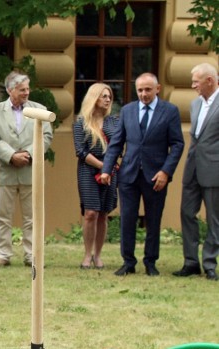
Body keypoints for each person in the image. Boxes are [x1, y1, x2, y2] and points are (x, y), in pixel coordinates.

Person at [99, 73, 184, 276]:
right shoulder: (128, 111)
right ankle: (128, 262)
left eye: (147, 89)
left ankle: (150, 262)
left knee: (153, 220)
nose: (144, 94)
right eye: (140, 90)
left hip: (156, 177)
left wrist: (166, 171)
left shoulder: (170, 111)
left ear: (158, 89)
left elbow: (177, 144)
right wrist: (106, 170)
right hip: (129, 174)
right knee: (127, 219)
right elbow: (117, 144)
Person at [0, 72, 53, 268]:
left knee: (32, 217)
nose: (26, 92)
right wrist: (12, 156)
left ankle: (32, 255)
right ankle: (3, 254)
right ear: (10, 90)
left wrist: (28, 154)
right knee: (3, 216)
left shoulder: (39, 110)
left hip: (31, 170)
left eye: (27, 88)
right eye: (22, 89)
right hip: (5, 171)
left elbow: (47, 136)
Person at [175, 63, 219, 281]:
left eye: (196, 81)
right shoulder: (194, 104)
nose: (193, 86)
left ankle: (210, 263)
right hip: (192, 167)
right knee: (186, 213)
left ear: (209, 81)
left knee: (214, 218)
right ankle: (191, 262)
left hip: (214, 169)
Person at [73, 83, 119, 269]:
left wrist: (109, 168)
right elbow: (80, 151)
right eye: (104, 96)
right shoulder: (81, 122)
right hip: (88, 169)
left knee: (103, 214)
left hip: (111, 170)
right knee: (91, 213)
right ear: (94, 98)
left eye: (109, 96)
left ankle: (98, 255)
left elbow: (118, 146)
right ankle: (87, 254)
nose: (108, 99)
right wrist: (102, 166)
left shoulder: (114, 122)